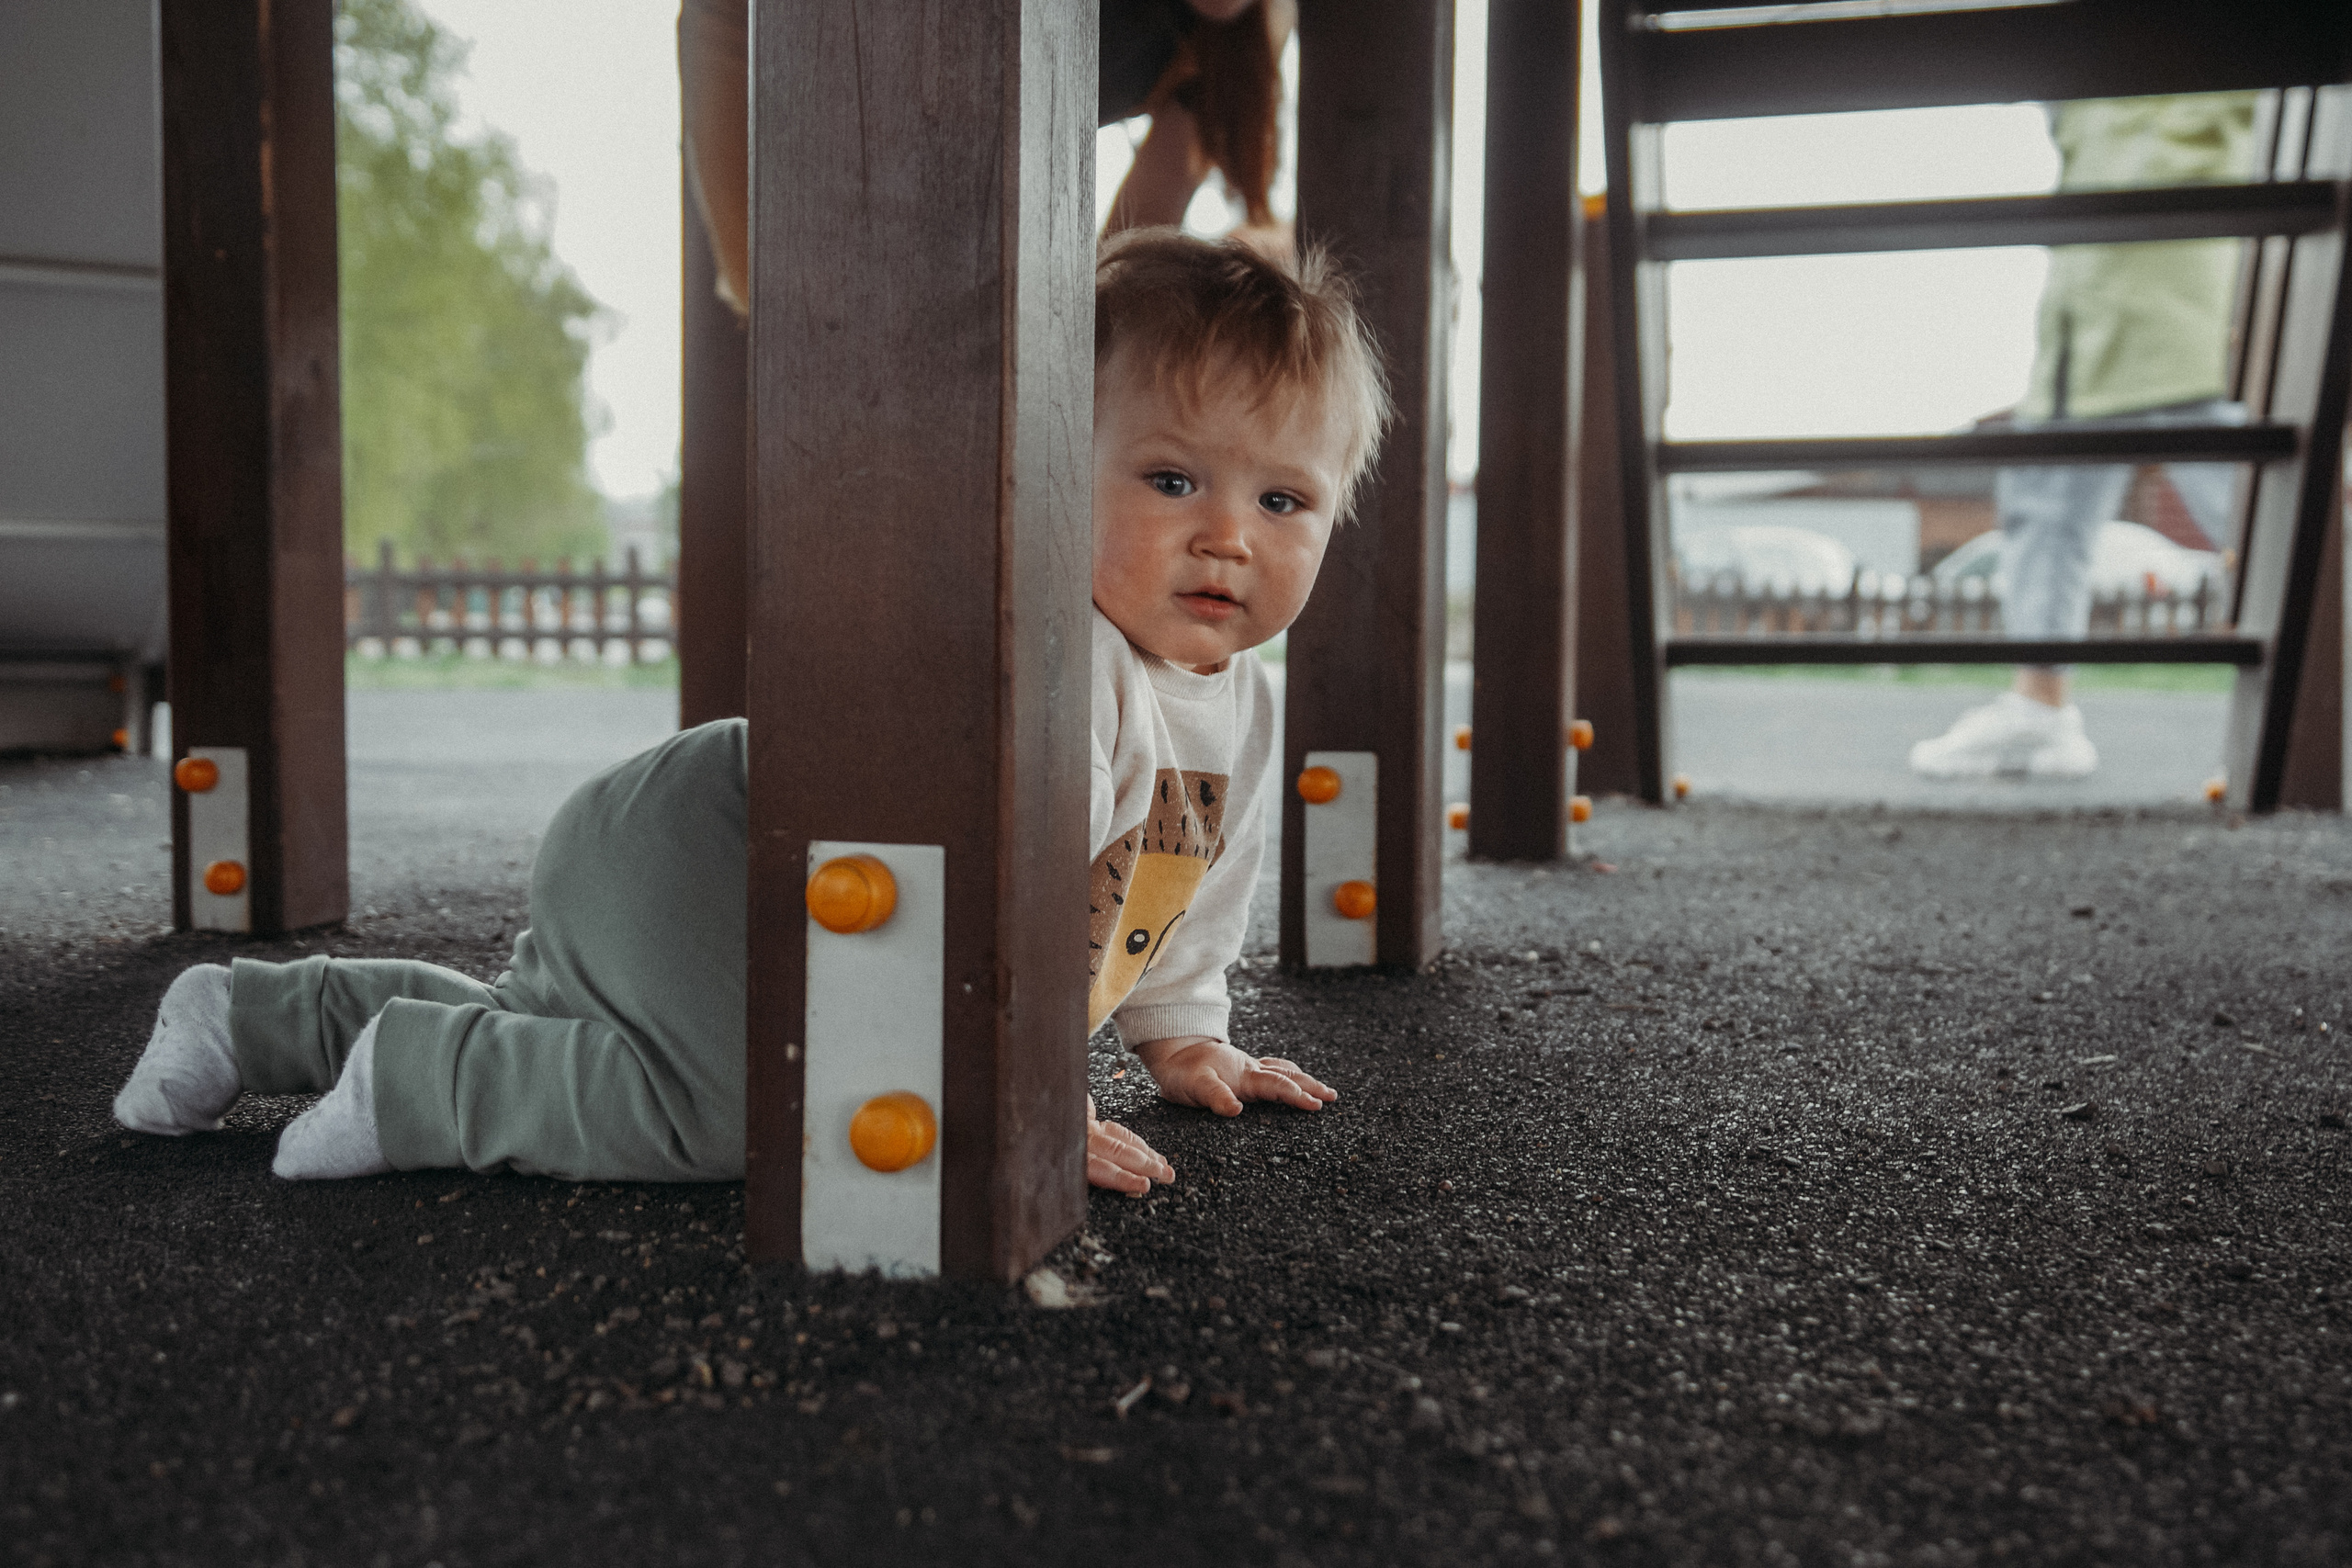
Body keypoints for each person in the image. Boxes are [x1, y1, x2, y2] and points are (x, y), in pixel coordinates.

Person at [112, 230, 1390, 1200]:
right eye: (1172, 478)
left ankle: (257, 1016)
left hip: (716, 846)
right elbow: (973, 907)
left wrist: (1182, 1037)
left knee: (578, 1029)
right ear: (1051, 467)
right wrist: (1013, 1097)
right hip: (723, 844)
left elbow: (1182, 899)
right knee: (734, 1109)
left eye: (1286, 501)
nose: (1229, 532)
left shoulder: (1248, 709)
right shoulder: (1054, 661)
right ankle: (419, 1086)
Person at [1909, 92, 2257, 781]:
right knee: (2041, 497)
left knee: (2248, 497)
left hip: (2175, 270)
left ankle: (2041, 707)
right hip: (2087, 291)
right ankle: (2039, 705)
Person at [677, 0, 1293, 321]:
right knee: (791, 307)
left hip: (940, 127)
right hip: (784, 47)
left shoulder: (1245, 34)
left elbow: (1135, 235)